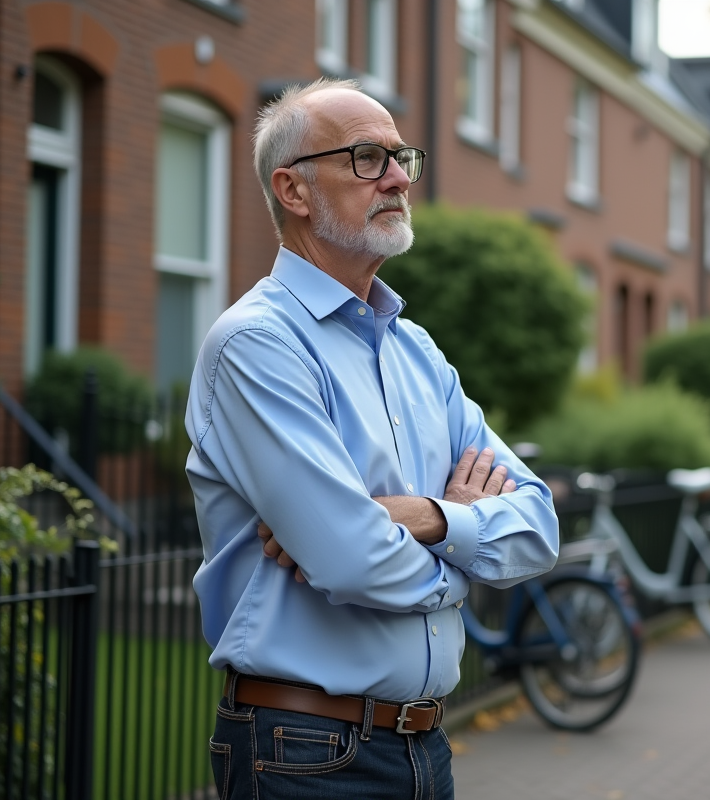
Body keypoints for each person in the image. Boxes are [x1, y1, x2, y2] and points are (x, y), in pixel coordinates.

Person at [184, 77, 559, 800]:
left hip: (426, 748)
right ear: (293, 190)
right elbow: (354, 562)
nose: (397, 179)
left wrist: (426, 518)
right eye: (366, 158)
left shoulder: (418, 352)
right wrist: (467, 556)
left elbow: (538, 526)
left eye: (400, 157)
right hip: (302, 753)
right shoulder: (257, 344)